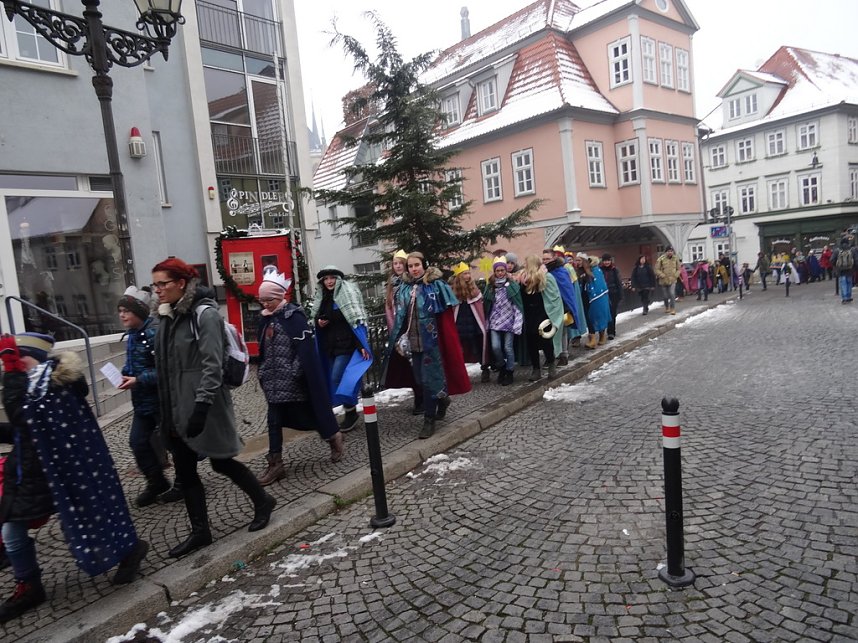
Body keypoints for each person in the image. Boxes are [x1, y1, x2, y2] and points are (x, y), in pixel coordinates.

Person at [0, 333, 149, 623]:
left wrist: (12, 375)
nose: (16, 363)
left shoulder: (53, 386)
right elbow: (25, 430)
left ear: (34, 357)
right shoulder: (35, 385)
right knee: (12, 532)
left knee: (92, 515)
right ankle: (29, 586)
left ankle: (130, 550)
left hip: (63, 468)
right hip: (32, 472)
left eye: (20, 357)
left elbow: (23, 417)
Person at [152, 258, 275, 558]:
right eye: (154, 285)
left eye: (162, 284)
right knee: (185, 469)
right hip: (176, 405)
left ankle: (263, 501)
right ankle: (200, 532)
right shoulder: (167, 315)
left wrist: (201, 406)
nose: (157, 290)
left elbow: (213, 365)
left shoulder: (204, 314)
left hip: (204, 405)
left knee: (221, 461)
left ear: (181, 283)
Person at [256, 272, 344, 486]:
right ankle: (276, 463)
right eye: (262, 300)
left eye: (269, 299)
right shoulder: (265, 319)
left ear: (280, 296)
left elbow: (305, 350)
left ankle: (333, 435)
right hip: (272, 381)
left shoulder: (293, 317)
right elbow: (263, 350)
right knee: (274, 421)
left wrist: (294, 371)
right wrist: (263, 371)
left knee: (307, 417)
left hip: (293, 381)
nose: (265, 304)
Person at [384, 252, 471, 438]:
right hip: (413, 343)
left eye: (417, 265)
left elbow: (445, 317)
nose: (414, 269)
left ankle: (429, 420)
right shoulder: (405, 287)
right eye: (410, 266)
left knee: (428, 380)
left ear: (424, 265)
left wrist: (445, 341)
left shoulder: (436, 285)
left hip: (432, 343)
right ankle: (443, 399)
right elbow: (401, 315)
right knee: (418, 378)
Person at [117, 285, 181, 507]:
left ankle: (184, 482)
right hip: (142, 402)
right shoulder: (132, 335)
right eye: (120, 311)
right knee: (138, 442)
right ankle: (157, 482)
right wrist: (125, 374)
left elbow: (168, 369)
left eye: (126, 311)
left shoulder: (154, 332)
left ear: (139, 312)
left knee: (173, 444)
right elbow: (134, 363)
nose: (122, 315)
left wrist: (139, 379)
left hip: (162, 401)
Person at [311, 266, 373, 433]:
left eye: (332, 278)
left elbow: (355, 321)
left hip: (346, 344)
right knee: (337, 378)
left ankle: (351, 411)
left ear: (338, 279)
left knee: (337, 376)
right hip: (330, 346)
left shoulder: (347, 295)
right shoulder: (322, 297)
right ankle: (350, 409)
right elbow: (317, 317)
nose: (329, 281)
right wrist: (319, 322)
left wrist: (361, 345)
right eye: (326, 279)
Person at [384, 250, 423, 415]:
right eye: (395, 263)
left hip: (412, 327)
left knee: (416, 366)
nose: (398, 266)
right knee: (407, 367)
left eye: (401, 263)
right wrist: (393, 331)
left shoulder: (410, 283)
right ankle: (419, 396)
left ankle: (422, 399)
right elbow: (389, 309)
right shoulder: (392, 285)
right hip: (399, 331)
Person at [520, 255, 564, 381]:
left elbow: (553, 296)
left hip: (543, 313)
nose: (524, 265)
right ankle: (536, 369)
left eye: (526, 262)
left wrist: (553, 314)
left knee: (546, 341)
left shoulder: (546, 277)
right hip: (529, 314)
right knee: (531, 342)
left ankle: (551, 364)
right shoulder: (523, 279)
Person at [482, 256, 523, 386]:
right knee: (495, 347)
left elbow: (517, 305)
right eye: (497, 271)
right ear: (494, 272)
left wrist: (518, 322)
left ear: (505, 271)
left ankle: (509, 371)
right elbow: (487, 305)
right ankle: (502, 366)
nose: (500, 273)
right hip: (495, 321)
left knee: (508, 347)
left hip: (509, 321)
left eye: (502, 270)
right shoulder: (490, 287)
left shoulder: (512, 285)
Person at [449, 262, 490, 382]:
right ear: (459, 276)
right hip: (459, 325)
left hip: (474, 324)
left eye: (468, 273)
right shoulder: (453, 292)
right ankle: (460, 373)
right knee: (460, 349)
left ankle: (485, 368)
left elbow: (479, 307)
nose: (467, 276)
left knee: (479, 346)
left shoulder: (474, 290)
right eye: (465, 274)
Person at [541, 247, 580, 364]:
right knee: (550, 330)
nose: (545, 261)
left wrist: (567, 306)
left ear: (554, 258)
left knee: (562, 330)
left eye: (547, 259)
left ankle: (564, 355)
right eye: (543, 259)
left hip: (562, 305)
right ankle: (552, 355)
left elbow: (567, 290)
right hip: (548, 305)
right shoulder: (543, 272)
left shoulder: (561, 271)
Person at [599, 254, 623, 339]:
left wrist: (620, 295)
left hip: (613, 294)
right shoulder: (599, 270)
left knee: (612, 314)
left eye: (608, 260)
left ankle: (611, 332)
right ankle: (602, 332)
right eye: (605, 260)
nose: (607, 262)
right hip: (603, 294)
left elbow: (619, 282)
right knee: (603, 314)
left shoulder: (614, 270)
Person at [655, 247, 681, 315]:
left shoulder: (676, 259)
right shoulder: (661, 259)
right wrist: (662, 275)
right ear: (666, 252)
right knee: (665, 296)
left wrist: (676, 275)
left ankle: (673, 308)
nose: (670, 252)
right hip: (663, 280)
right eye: (668, 251)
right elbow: (656, 269)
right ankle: (667, 307)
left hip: (672, 280)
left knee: (672, 294)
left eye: (671, 251)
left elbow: (679, 269)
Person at [831, 238, 857, 303]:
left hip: (840, 270)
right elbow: (856, 260)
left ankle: (844, 298)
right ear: (848, 243)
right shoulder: (852, 250)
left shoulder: (837, 250)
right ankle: (848, 297)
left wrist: (836, 266)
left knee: (843, 284)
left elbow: (832, 260)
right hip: (850, 269)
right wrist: (855, 268)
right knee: (849, 283)